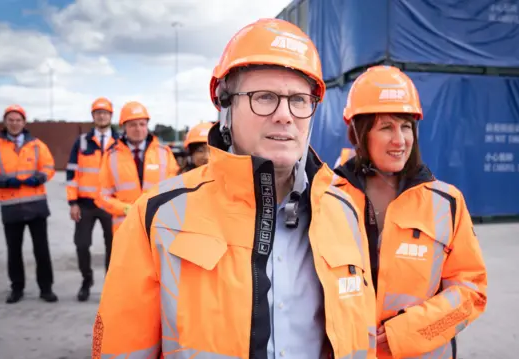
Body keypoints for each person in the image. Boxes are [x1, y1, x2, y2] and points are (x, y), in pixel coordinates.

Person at [91, 18, 377, 359]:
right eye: (265, 97)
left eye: (299, 100)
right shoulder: (156, 216)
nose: (285, 115)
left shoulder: (345, 211)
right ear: (226, 107)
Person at [333, 65, 488, 359]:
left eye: (406, 126)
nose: (400, 140)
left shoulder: (446, 203)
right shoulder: (327, 197)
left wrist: (407, 333)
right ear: (358, 132)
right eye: (386, 127)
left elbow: (471, 291)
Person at [0, 105, 58, 304]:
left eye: (18, 120)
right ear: (5, 122)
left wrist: (40, 177)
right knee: (14, 251)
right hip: (11, 207)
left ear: (24, 122)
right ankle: (17, 288)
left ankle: (46, 289)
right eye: (11, 120)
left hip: (36, 206)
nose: (14, 123)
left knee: (42, 250)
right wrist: (1, 181)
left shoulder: (38, 145)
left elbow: (50, 167)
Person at [96, 101, 179, 233]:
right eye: (133, 125)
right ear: (124, 127)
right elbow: (102, 196)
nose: (138, 129)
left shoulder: (164, 153)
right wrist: (124, 208)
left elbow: (175, 189)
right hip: (125, 227)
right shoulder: (111, 156)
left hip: (158, 226)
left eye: (142, 124)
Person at [66, 97, 118, 302]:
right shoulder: (81, 142)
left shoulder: (119, 143)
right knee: (81, 245)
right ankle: (86, 281)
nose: (102, 116)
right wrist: (73, 203)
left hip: (111, 204)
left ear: (111, 116)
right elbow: (71, 174)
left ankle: (110, 285)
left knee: (113, 248)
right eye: (98, 113)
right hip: (85, 204)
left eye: (105, 113)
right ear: (93, 116)